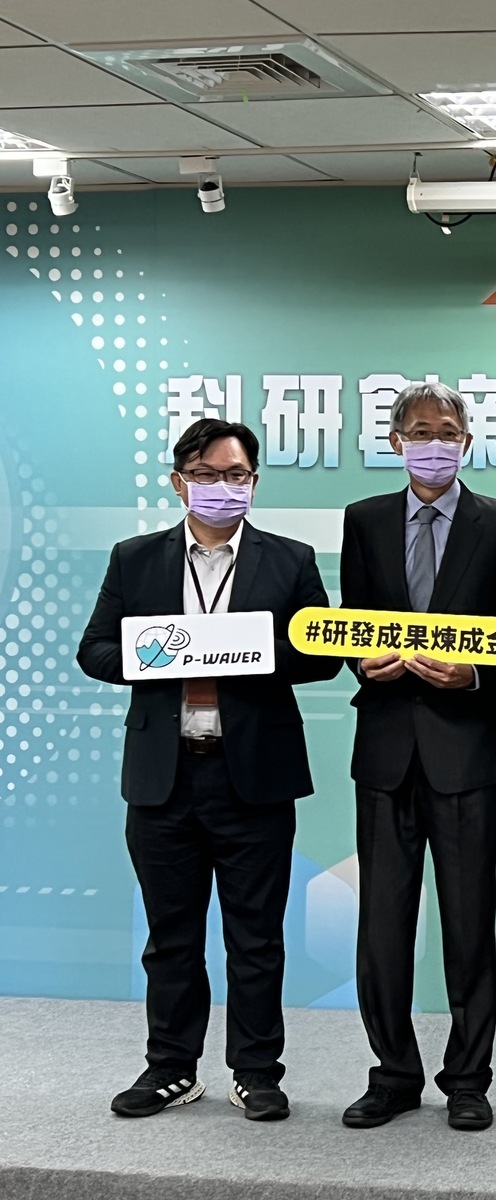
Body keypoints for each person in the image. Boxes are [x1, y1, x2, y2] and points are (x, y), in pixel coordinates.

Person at [76, 418, 340, 1122]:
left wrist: (249, 649)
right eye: (208, 475)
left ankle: (255, 1072)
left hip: (252, 774)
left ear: (254, 482)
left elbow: (322, 655)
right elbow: (94, 652)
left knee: (256, 935)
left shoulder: (289, 559)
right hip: (164, 776)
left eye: (237, 477)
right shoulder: (135, 559)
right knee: (171, 935)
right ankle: (170, 1068)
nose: (223, 489)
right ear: (178, 481)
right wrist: (163, 652)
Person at [338, 382, 496, 1132]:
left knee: (468, 923)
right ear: (396, 441)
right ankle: (391, 1073)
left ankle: (467, 1078)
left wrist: (477, 671)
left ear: (466, 440)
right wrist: (365, 663)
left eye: (447, 430)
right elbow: (352, 620)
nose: (434, 441)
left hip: (468, 751)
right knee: (382, 927)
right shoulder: (364, 520)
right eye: (420, 430)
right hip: (385, 749)